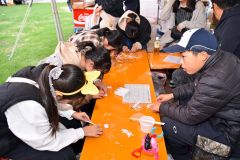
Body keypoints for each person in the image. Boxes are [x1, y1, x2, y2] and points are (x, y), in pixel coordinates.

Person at [151, 28, 240, 159]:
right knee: (181, 104)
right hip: (221, 119)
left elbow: (190, 115)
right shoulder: (221, 58)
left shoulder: (215, 78)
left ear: (203, 55)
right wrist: (173, 94)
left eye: (183, 56)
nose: (180, 63)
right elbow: (197, 85)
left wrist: (161, 107)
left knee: (168, 124)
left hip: (227, 137)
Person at [0, 64, 103, 160]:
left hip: (23, 120)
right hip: (7, 139)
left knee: (72, 124)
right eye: (71, 101)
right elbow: (45, 141)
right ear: (59, 96)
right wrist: (82, 132)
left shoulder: (50, 76)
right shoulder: (29, 107)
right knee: (64, 155)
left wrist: (71, 113)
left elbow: (50, 99)